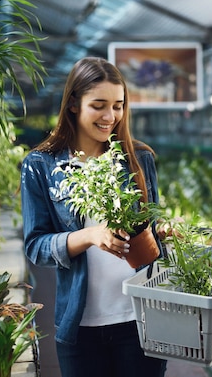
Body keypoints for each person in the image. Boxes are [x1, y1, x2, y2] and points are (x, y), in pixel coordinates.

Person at [20, 57, 167, 377]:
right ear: (73, 103)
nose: (110, 116)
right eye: (99, 105)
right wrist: (89, 235)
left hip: (143, 320)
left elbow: (151, 230)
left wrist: (165, 232)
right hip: (80, 327)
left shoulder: (138, 159)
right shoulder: (40, 165)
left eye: (118, 106)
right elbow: (35, 246)